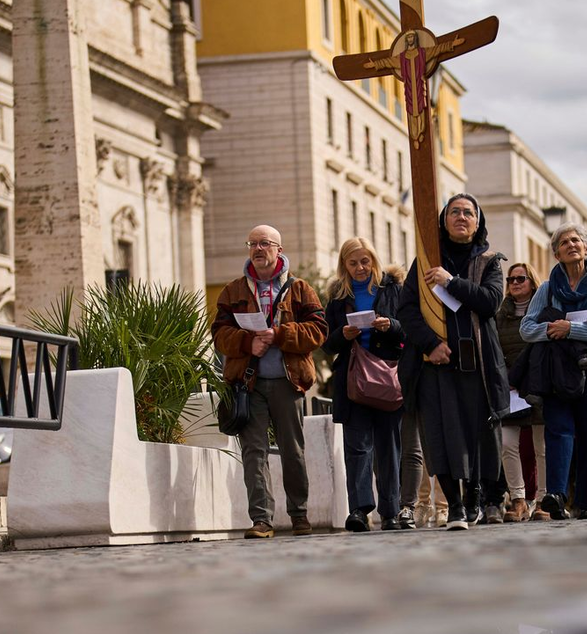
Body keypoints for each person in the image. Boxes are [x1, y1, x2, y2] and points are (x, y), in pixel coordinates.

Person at [396, 194, 509, 529]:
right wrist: (430, 344)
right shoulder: (426, 260)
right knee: (440, 435)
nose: (462, 217)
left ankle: (474, 495)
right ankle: (456, 506)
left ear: (478, 222)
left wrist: (450, 282)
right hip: (436, 364)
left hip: (478, 365)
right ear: (444, 219)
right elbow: (406, 309)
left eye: (469, 213)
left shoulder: (490, 261)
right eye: (455, 211)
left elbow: (490, 302)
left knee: (477, 435)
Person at [212, 224, 327, 538]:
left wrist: (280, 335)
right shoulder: (232, 290)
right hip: (248, 385)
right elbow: (219, 336)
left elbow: (318, 331)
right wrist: (247, 343)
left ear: (280, 249)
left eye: (265, 243)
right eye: (252, 243)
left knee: (293, 450)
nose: (258, 249)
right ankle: (261, 520)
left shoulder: (301, 289)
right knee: (254, 452)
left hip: (289, 382)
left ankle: (299, 515)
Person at [519, 223, 587, 520]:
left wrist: (569, 328)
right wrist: (553, 331)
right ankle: (557, 495)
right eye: (564, 242)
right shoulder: (547, 288)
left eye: (577, 240)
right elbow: (527, 328)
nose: (571, 244)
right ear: (556, 253)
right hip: (557, 369)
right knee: (558, 431)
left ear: (586, 248)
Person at [322, 238, 407, 532]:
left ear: (374, 260)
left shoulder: (394, 289)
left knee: (389, 448)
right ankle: (359, 510)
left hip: (388, 378)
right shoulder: (336, 298)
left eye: (365, 261)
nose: (360, 268)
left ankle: (390, 512)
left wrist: (391, 325)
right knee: (357, 448)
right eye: (353, 262)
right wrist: (343, 334)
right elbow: (327, 344)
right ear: (344, 265)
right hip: (352, 381)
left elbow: (409, 331)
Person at [495, 261, 548, 522]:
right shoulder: (500, 314)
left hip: (537, 385)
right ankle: (518, 499)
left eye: (520, 278)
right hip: (510, 388)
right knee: (506, 443)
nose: (514, 283)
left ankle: (542, 500)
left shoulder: (544, 312)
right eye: (511, 279)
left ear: (532, 282)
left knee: (541, 447)